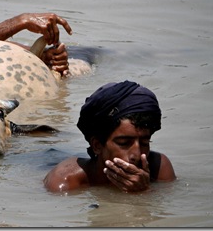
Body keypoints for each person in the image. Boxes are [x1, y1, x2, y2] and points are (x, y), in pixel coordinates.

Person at [44, 80, 176, 193]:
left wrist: (143, 192)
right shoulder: (66, 181)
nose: (136, 154)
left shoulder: (159, 167)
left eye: (144, 142)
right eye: (124, 143)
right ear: (97, 145)